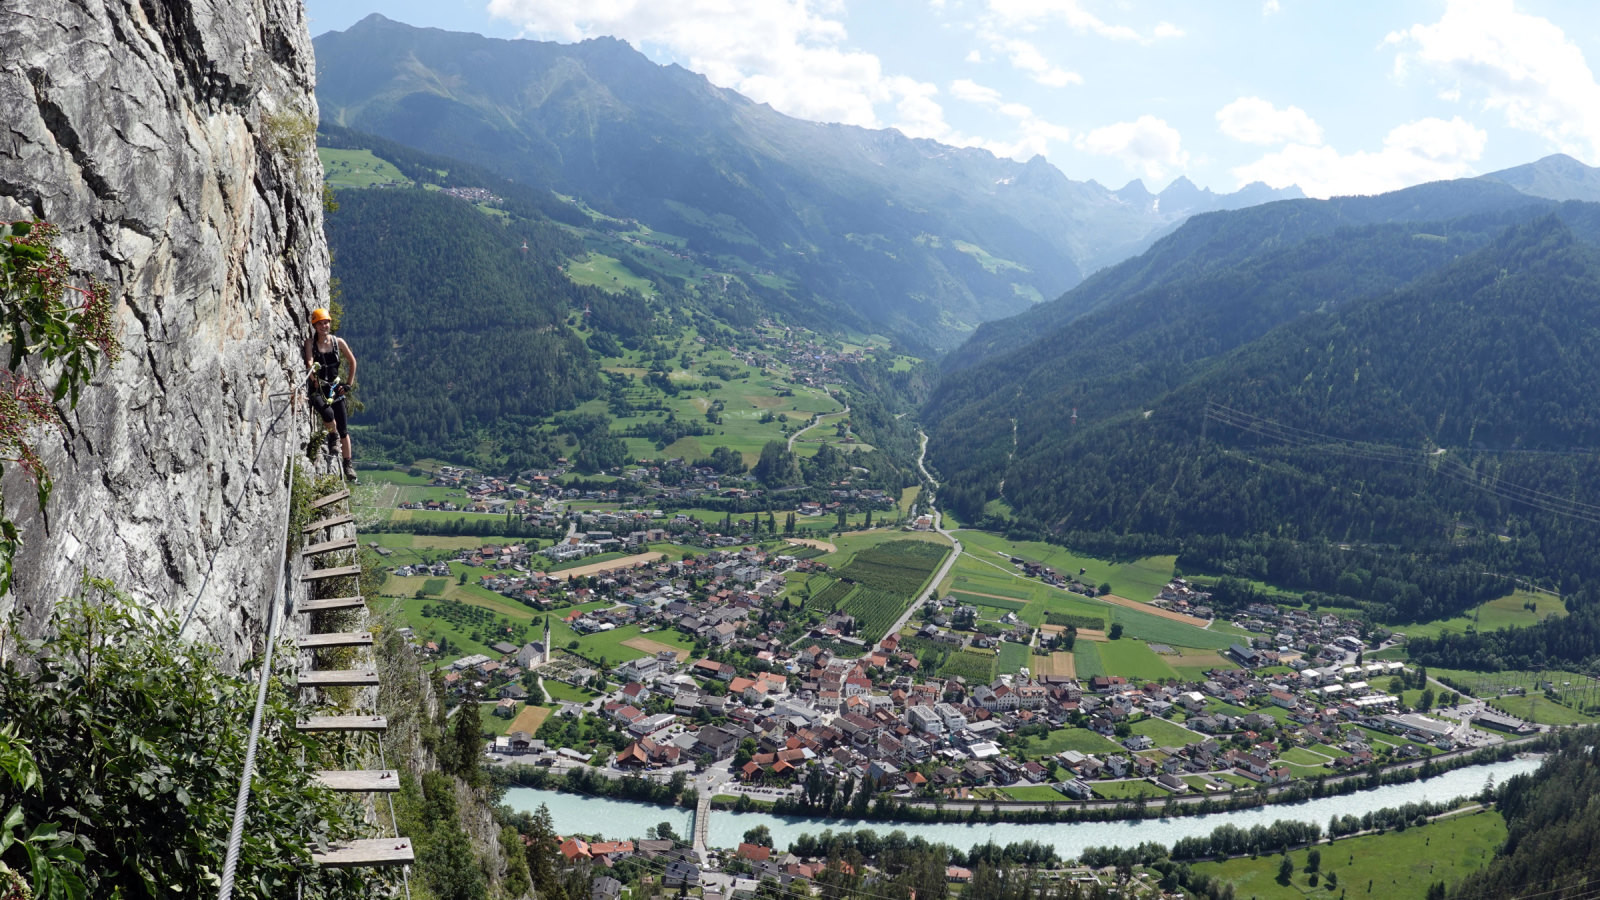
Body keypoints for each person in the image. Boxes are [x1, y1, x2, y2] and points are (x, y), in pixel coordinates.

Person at [304, 307, 359, 483]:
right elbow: (309, 361)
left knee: (343, 427)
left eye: (326, 322)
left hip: (335, 388)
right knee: (327, 414)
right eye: (320, 323)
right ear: (314, 325)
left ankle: (348, 464)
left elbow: (352, 361)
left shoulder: (338, 342)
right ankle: (332, 436)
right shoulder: (310, 343)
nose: (324, 326)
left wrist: (348, 385)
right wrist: (313, 377)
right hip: (318, 388)